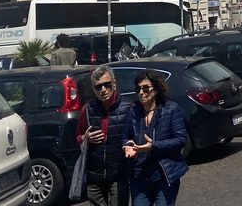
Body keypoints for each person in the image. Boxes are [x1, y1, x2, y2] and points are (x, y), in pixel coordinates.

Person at [122, 69, 188, 206]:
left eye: (145, 88)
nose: (141, 92)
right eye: (138, 89)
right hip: (139, 176)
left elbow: (181, 139)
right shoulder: (133, 111)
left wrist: (154, 145)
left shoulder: (171, 109)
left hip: (164, 175)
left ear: (157, 89)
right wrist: (127, 146)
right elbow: (125, 136)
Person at [75, 66, 130, 206]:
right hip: (94, 175)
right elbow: (78, 136)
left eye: (107, 84)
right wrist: (86, 138)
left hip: (118, 174)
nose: (103, 90)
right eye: (98, 87)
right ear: (93, 89)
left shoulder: (128, 107)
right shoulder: (87, 110)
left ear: (114, 83)